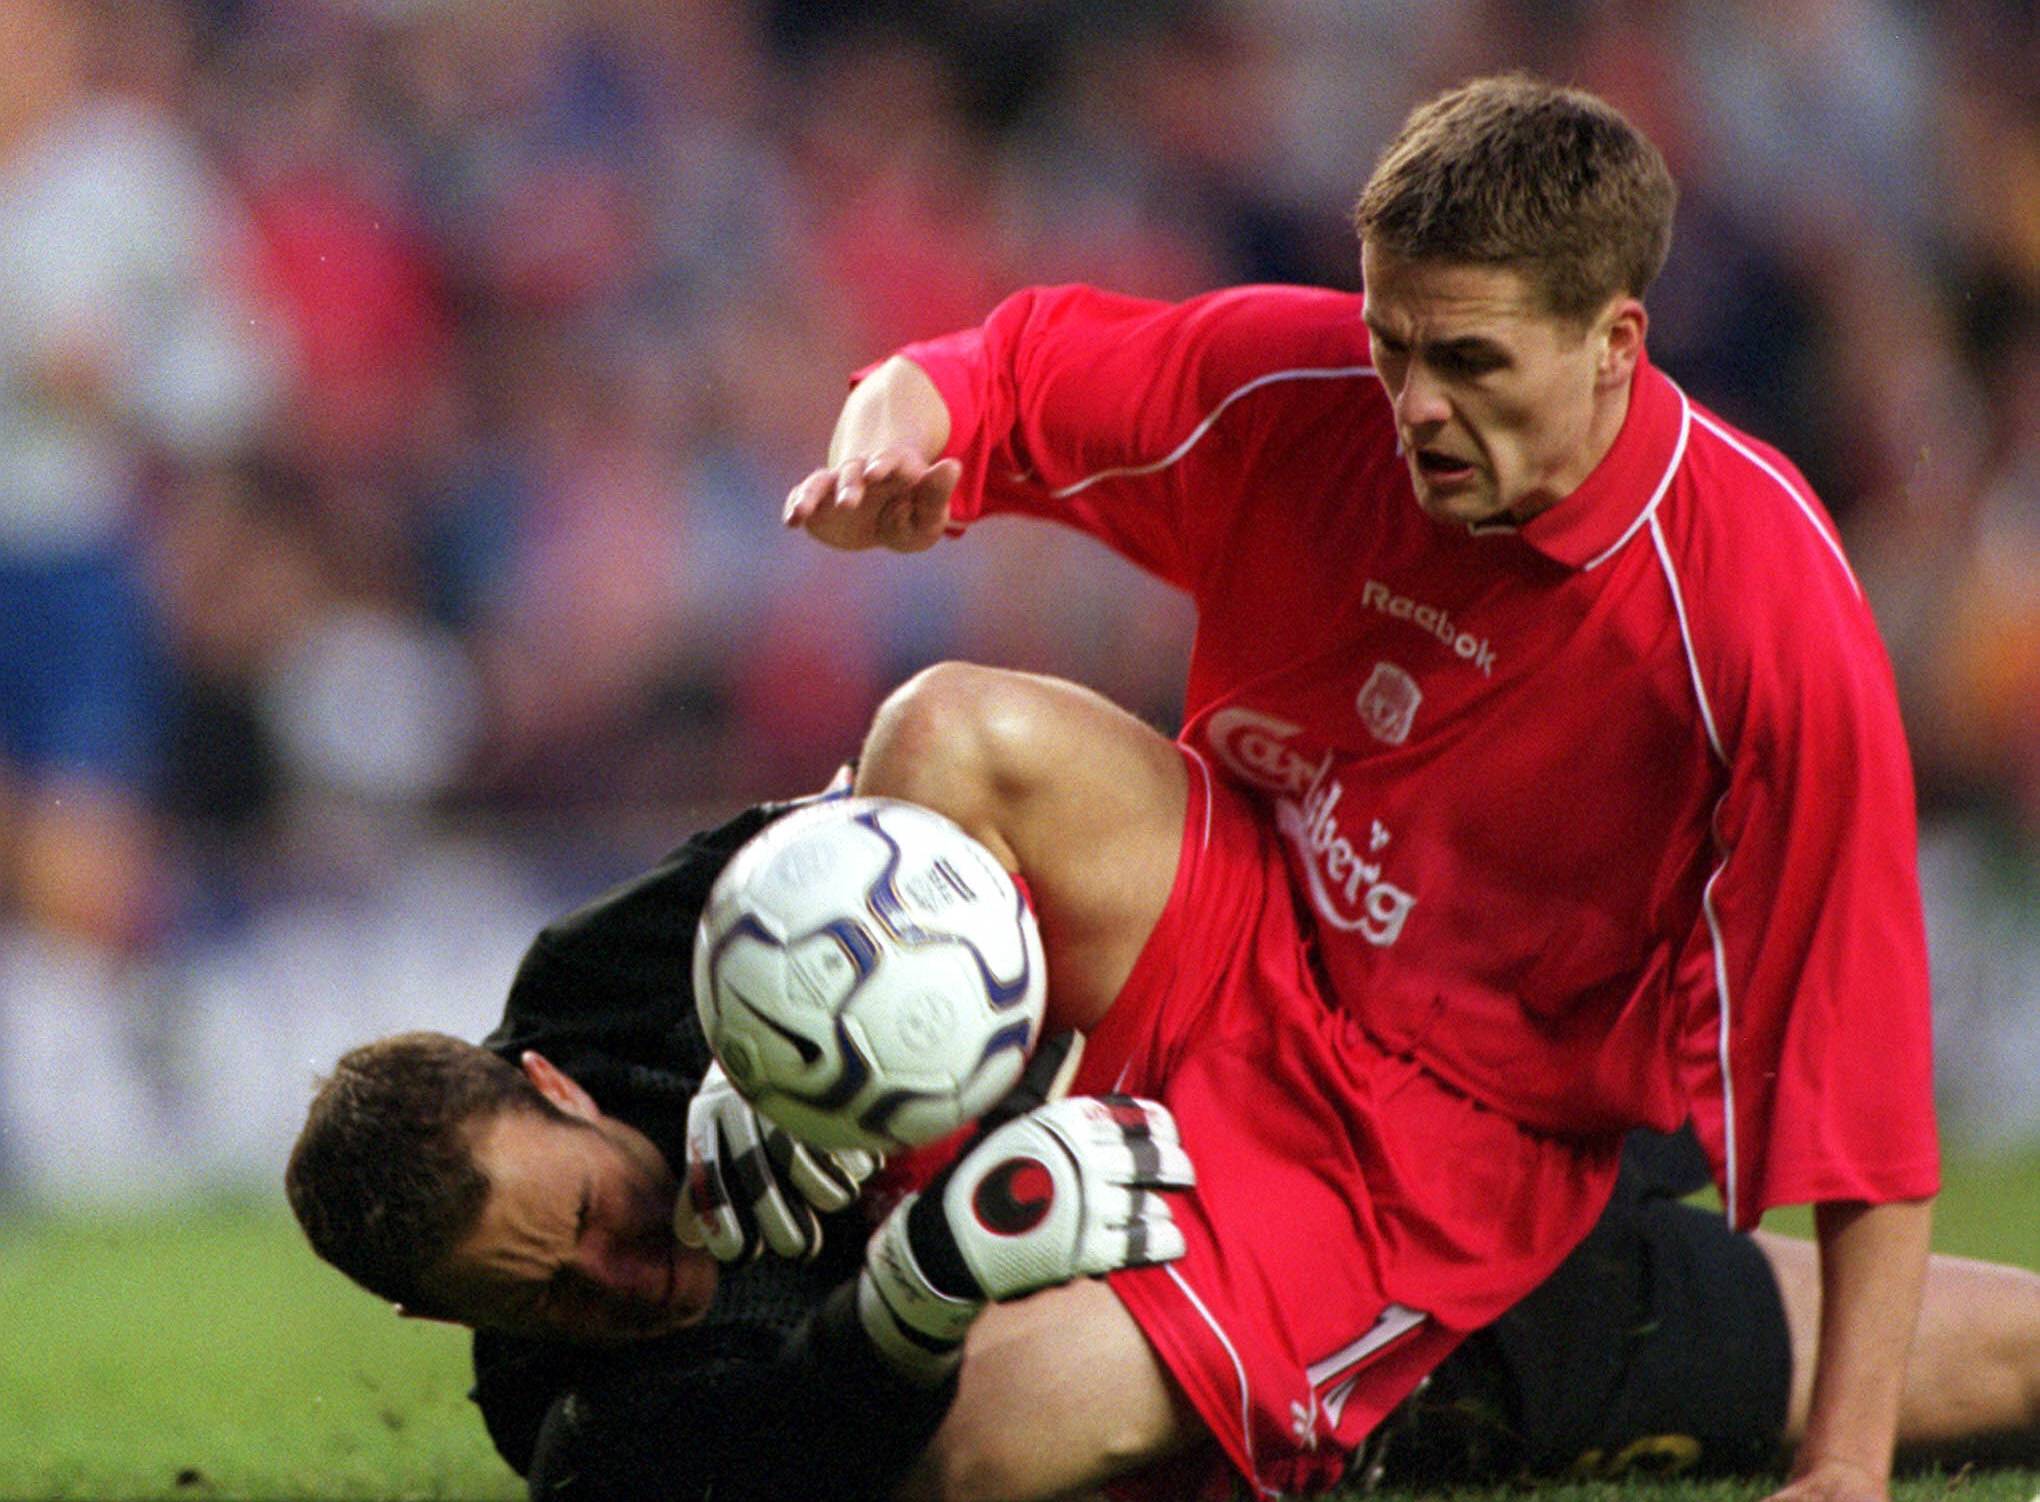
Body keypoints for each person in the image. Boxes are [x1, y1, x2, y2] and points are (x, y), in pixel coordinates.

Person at [781, 74, 1939, 1502]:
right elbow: (993, 373)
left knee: (986, 1442)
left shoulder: (1763, 607)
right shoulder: (1309, 388)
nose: (1416, 406)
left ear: (1614, 343)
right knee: (945, 729)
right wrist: (882, 440)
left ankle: (1302, 1377)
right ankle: (884, 1254)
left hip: (1432, 1137)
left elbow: (1860, 1069)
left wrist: (1847, 1467)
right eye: (1394, 345)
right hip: (1231, 918)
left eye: (1468, 361)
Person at [286, 798, 2039, 1501]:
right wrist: (913, 1290)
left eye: (589, 1214)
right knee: (1998, 1360)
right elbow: (839, 1448)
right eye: (553, 1296)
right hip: (1386, 1351)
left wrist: (782, 1054)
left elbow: (920, 826)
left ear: (560, 1086)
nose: (622, 1273)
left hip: (1335, 1092)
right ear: (456, 1328)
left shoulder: (617, 975)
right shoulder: (583, 1433)